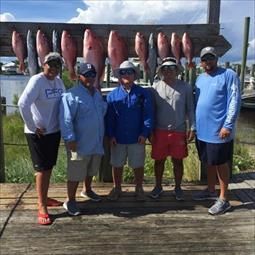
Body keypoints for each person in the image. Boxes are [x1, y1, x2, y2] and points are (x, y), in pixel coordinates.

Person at [18, 52, 65, 225]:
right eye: (50, 64)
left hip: (54, 131)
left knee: (49, 167)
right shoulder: (37, 81)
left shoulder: (59, 81)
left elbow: (64, 102)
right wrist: (32, 126)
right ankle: (41, 205)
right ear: (43, 64)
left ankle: (44, 197)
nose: (53, 68)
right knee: (41, 169)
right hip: (37, 133)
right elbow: (22, 104)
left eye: (57, 65)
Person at [193, 46, 241, 215]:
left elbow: (234, 100)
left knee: (221, 163)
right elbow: (196, 103)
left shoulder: (229, 75)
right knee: (209, 161)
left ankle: (224, 198)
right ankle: (211, 189)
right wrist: (193, 126)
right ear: (201, 61)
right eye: (204, 59)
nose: (208, 61)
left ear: (217, 58)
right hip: (202, 130)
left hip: (219, 130)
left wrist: (228, 125)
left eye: (211, 58)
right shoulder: (199, 78)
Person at [59, 63, 107, 216]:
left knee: (91, 168)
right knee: (75, 172)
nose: (90, 78)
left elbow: (102, 110)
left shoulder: (97, 93)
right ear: (79, 76)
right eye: (86, 75)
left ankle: (87, 190)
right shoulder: (70, 95)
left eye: (92, 75)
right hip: (78, 143)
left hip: (96, 141)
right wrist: (70, 138)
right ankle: (70, 200)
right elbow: (65, 119)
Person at [106, 60, 154, 201]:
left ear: (135, 75)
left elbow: (148, 115)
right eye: (123, 72)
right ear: (119, 76)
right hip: (118, 138)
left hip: (137, 137)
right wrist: (111, 135)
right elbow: (110, 118)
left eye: (129, 72)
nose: (126, 74)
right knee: (117, 164)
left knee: (138, 164)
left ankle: (139, 188)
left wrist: (144, 133)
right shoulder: (112, 95)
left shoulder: (143, 93)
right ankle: (117, 188)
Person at [149, 57, 195, 201]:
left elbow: (190, 109)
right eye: (165, 68)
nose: (168, 71)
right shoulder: (154, 87)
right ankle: (158, 186)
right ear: (161, 71)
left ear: (177, 70)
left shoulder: (186, 87)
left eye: (172, 68)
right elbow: (151, 111)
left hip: (179, 130)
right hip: (159, 130)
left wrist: (192, 127)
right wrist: (150, 130)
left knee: (178, 161)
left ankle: (178, 187)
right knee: (159, 161)